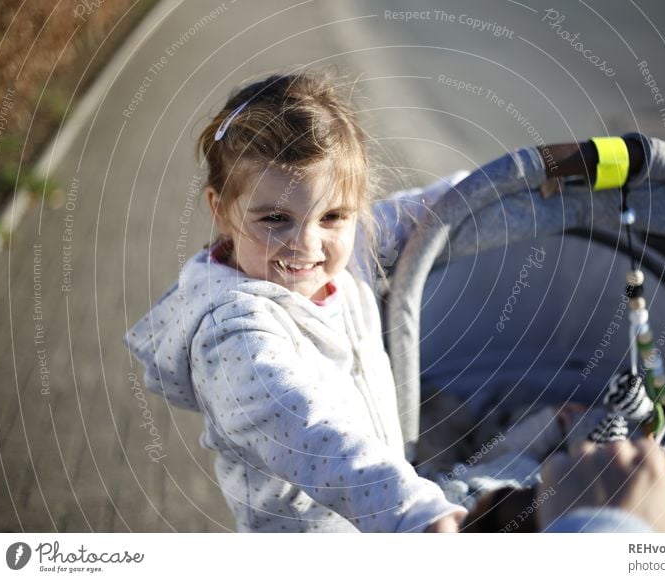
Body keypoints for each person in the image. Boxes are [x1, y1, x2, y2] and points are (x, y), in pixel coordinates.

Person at [123, 67, 481, 532]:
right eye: (275, 218)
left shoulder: (350, 254)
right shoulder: (233, 338)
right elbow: (316, 437)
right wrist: (419, 515)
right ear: (220, 209)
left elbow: (435, 210)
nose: (307, 245)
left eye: (332, 215)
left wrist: (538, 173)